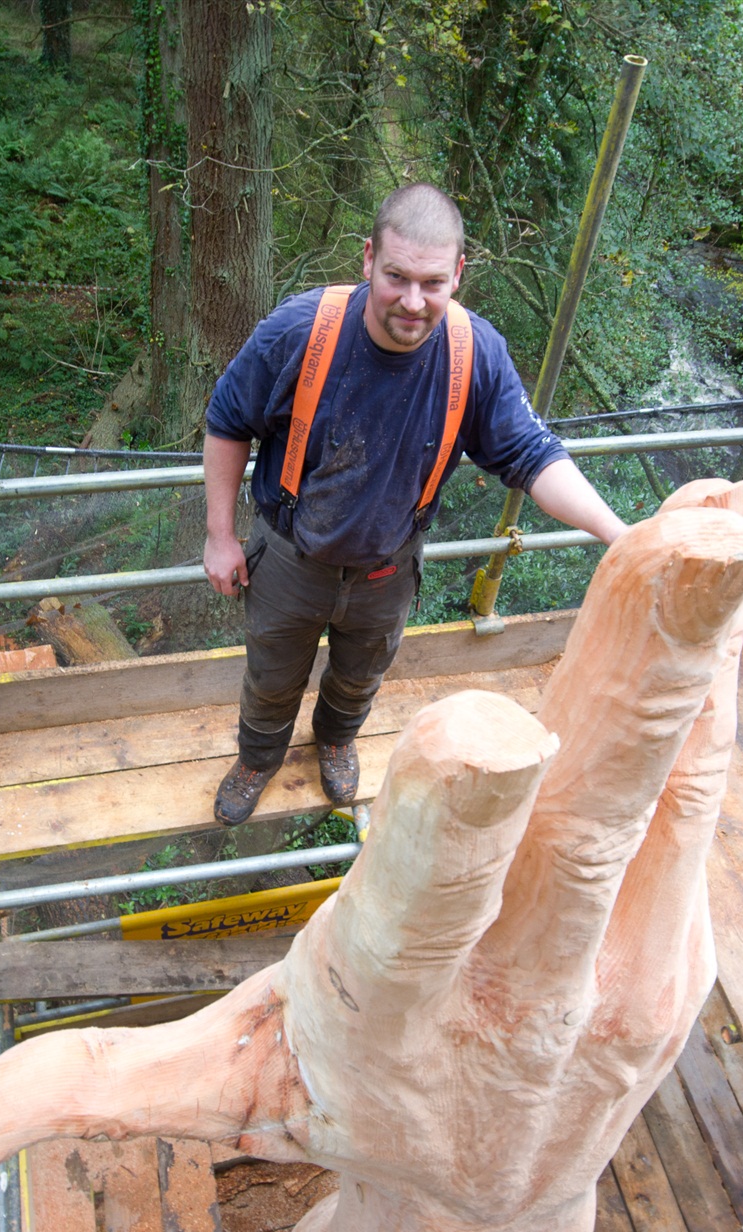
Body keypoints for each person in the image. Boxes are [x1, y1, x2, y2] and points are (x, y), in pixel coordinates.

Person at [200, 182, 628, 825]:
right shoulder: (299, 332)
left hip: (387, 569)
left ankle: (338, 742)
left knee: (360, 676)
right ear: (368, 258)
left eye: (432, 282)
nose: (412, 301)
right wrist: (220, 535)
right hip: (290, 558)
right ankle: (259, 756)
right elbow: (228, 421)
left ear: (458, 273)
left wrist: (620, 535)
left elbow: (534, 456)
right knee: (269, 674)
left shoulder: (475, 353)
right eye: (396, 276)